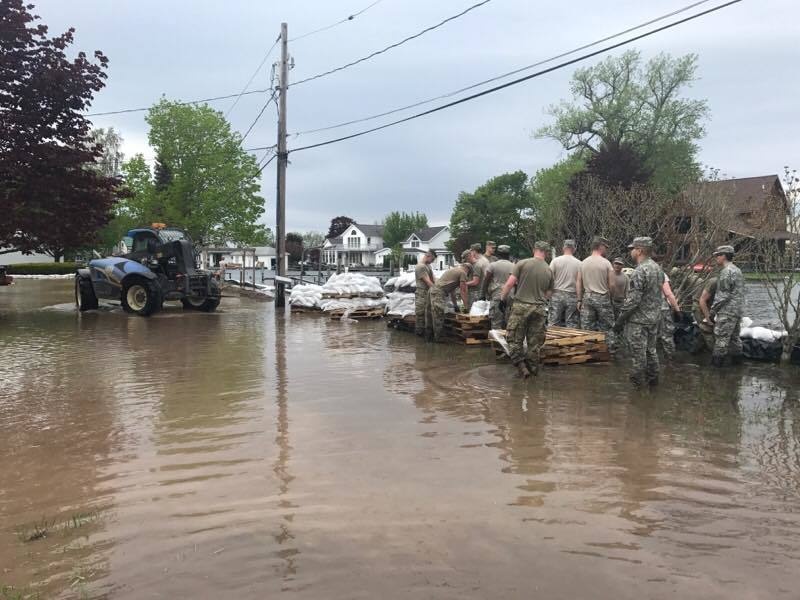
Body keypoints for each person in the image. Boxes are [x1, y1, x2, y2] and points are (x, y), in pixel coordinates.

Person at [613, 237, 666, 387]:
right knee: (651, 351)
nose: (631, 252)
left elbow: (633, 301)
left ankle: (636, 392)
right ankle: (653, 385)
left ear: (640, 251)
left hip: (639, 321)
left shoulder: (639, 271)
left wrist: (620, 320)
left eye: (633, 249)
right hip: (654, 318)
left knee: (638, 355)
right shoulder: (657, 268)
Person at [500, 241, 554, 378]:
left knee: (513, 339)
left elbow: (509, 284)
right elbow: (548, 293)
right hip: (539, 309)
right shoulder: (549, 270)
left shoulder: (522, 264)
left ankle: (521, 367)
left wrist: (502, 300)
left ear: (534, 249)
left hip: (521, 306)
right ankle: (533, 372)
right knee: (534, 344)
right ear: (546, 253)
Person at [576, 236, 616, 347]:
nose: (606, 249)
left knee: (587, 328)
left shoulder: (583, 263)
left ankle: (589, 351)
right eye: (605, 247)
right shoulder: (606, 263)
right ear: (600, 247)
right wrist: (611, 296)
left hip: (587, 298)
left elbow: (578, 282)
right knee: (607, 327)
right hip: (602, 297)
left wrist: (579, 299)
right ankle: (609, 350)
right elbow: (612, 284)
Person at [709, 245, 745, 366]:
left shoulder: (726, 272)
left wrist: (712, 311)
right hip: (737, 311)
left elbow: (723, 295)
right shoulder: (737, 270)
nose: (716, 258)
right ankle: (737, 367)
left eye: (718, 255)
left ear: (724, 256)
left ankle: (716, 370)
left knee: (721, 339)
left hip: (727, 311)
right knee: (735, 339)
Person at [426, 254, 474, 342]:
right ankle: (438, 339)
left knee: (430, 314)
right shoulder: (462, 273)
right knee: (438, 314)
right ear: (467, 270)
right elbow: (463, 291)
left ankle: (429, 337)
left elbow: (452, 292)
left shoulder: (453, 271)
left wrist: (456, 305)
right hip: (438, 292)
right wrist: (466, 308)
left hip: (432, 290)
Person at [548, 239, 581, 329]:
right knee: (572, 323)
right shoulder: (579, 263)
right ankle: (570, 342)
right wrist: (579, 299)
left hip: (557, 294)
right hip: (572, 295)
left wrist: (549, 292)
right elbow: (580, 282)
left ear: (563, 248)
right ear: (574, 249)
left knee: (553, 322)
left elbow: (549, 277)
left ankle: (552, 342)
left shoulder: (555, 261)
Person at [483, 245, 514, 329]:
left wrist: (483, 293)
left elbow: (486, 280)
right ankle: (507, 340)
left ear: (498, 254)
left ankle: (496, 341)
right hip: (510, 295)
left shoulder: (492, 265)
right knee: (509, 321)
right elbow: (516, 283)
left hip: (497, 295)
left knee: (496, 322)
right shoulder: (514, 266)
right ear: (508, 254)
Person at [658, 271, 682, 360]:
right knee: (666, 335)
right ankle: (669, 359)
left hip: (645, 309)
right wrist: (677, 309)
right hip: (661, 308)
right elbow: (668, 294)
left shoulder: (639, 272)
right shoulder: (661, 274)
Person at [414, 250, 436, 336]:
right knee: (421, 315)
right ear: (428, 256)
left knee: (428, 315)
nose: (433, 261)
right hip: (421, 294)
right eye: (432, 259)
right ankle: (419, 338)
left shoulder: (428, 266)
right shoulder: (420, 267)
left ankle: (426, 335)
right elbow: (428, 282)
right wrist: (437, 291)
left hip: (427, 293)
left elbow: (433, 279)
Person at [693, 275, 718, 351]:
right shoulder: (714, 282)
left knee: (703, 331)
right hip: (699, 306)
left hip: (709, 305)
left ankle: (696, 350)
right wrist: (708, 319)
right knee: (706, 329)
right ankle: (713, 353)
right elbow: (702, 301)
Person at [465, 243, 490, 309]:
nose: (470, 253)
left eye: (471, 251)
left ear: (474, 251)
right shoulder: (486, 260)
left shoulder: (478, 263)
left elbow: (475, 281)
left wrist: (464, 284)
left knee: (473, 312)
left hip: (476, 292)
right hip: (483, 292)